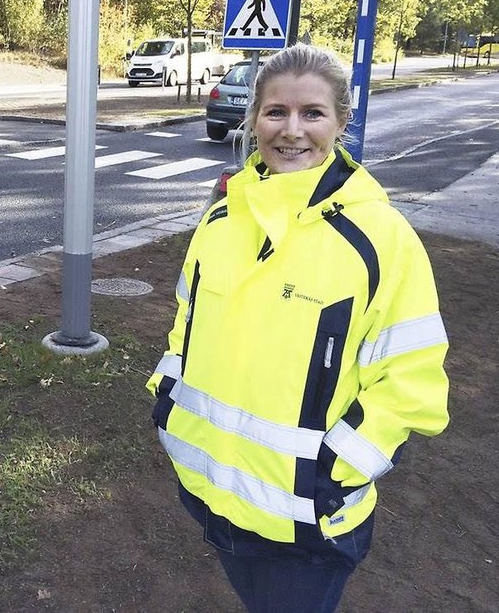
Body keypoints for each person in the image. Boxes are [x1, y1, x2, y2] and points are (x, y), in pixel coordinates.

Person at [147, 44, 449, 613]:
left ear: (341, 120)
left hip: (309, 524)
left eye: (312, 113)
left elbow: (413, 383)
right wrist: (166, 401)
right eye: (275, 112)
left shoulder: (381, 237)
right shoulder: (219, 219)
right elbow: (185, 327)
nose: (292, 130)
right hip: (211, 494)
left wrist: (333, 474)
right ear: (253, 117)